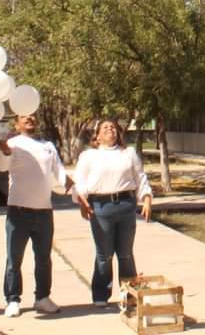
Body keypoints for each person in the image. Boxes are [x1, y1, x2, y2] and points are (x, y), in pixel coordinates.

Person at [0, 113, 74, 317]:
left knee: (44, 258)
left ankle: (42, 298)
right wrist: (4, 151)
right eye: (24, 117)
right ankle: (12, 299)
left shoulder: (47, 145)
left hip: (44, 211)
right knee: (14, 258)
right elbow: (2, 166)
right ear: (17, 123)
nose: (29, 119)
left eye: (32, 116)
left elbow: (59, 172)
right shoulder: (11, 143)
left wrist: (75, 188)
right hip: (18, 211)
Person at [73, 119, 153, 307]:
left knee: (125, 253)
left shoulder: (129, 153)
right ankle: (101, 294)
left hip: (126, 205)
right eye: (105, 128)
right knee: (104, 254)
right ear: (97, 136)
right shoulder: (89, 156)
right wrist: (82, 202)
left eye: (113, 127)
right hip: (100, 207)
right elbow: (80, 181)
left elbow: (140, 177)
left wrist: (147, 197)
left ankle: (129, 294)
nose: (110, 130)